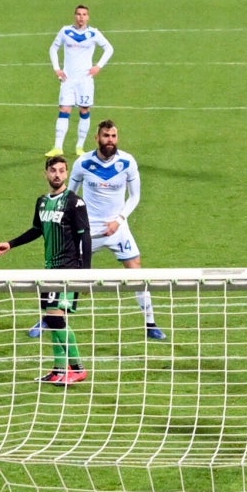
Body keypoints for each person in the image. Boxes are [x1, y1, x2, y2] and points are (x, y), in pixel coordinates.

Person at [0, 152, 94, 386]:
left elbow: (85, 237)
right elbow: (37, 229)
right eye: (53, 171)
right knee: (53, 320)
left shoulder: (74, 202)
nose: (57, 175)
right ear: (46, 174)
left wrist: (87, 274)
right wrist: (11, 244)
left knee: (56, 319)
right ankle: (59, 370)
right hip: (49, 270)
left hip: (68, 269)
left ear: (67, 173)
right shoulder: (42, 202)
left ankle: (77, 368)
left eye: (61, 170)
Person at [71, 120, 165, 340]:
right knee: (67, 274)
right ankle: (49, 318)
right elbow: (70, 195)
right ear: (97, 138)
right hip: (89, 230)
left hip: (118, 228)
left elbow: (135, 196)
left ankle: (150, 323)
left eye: (113, 136)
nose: (110, 140)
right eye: (105, 136)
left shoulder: (127, 162)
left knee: (136, 270)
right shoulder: (83, 163)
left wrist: (119, 219)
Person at [49, 4, 114, 156]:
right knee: (64, 110)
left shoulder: (93, 33)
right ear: (75, 16)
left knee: (84, 110)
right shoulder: (65, 31)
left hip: (85, 80)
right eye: (78, 14)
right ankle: (58, 147)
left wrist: (98, 66)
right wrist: (57, 68)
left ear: (88, 17)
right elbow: (53, 48)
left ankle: (80, 147)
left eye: (84, 14)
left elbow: (109, 49)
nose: (81, 17)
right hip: (68, 79)